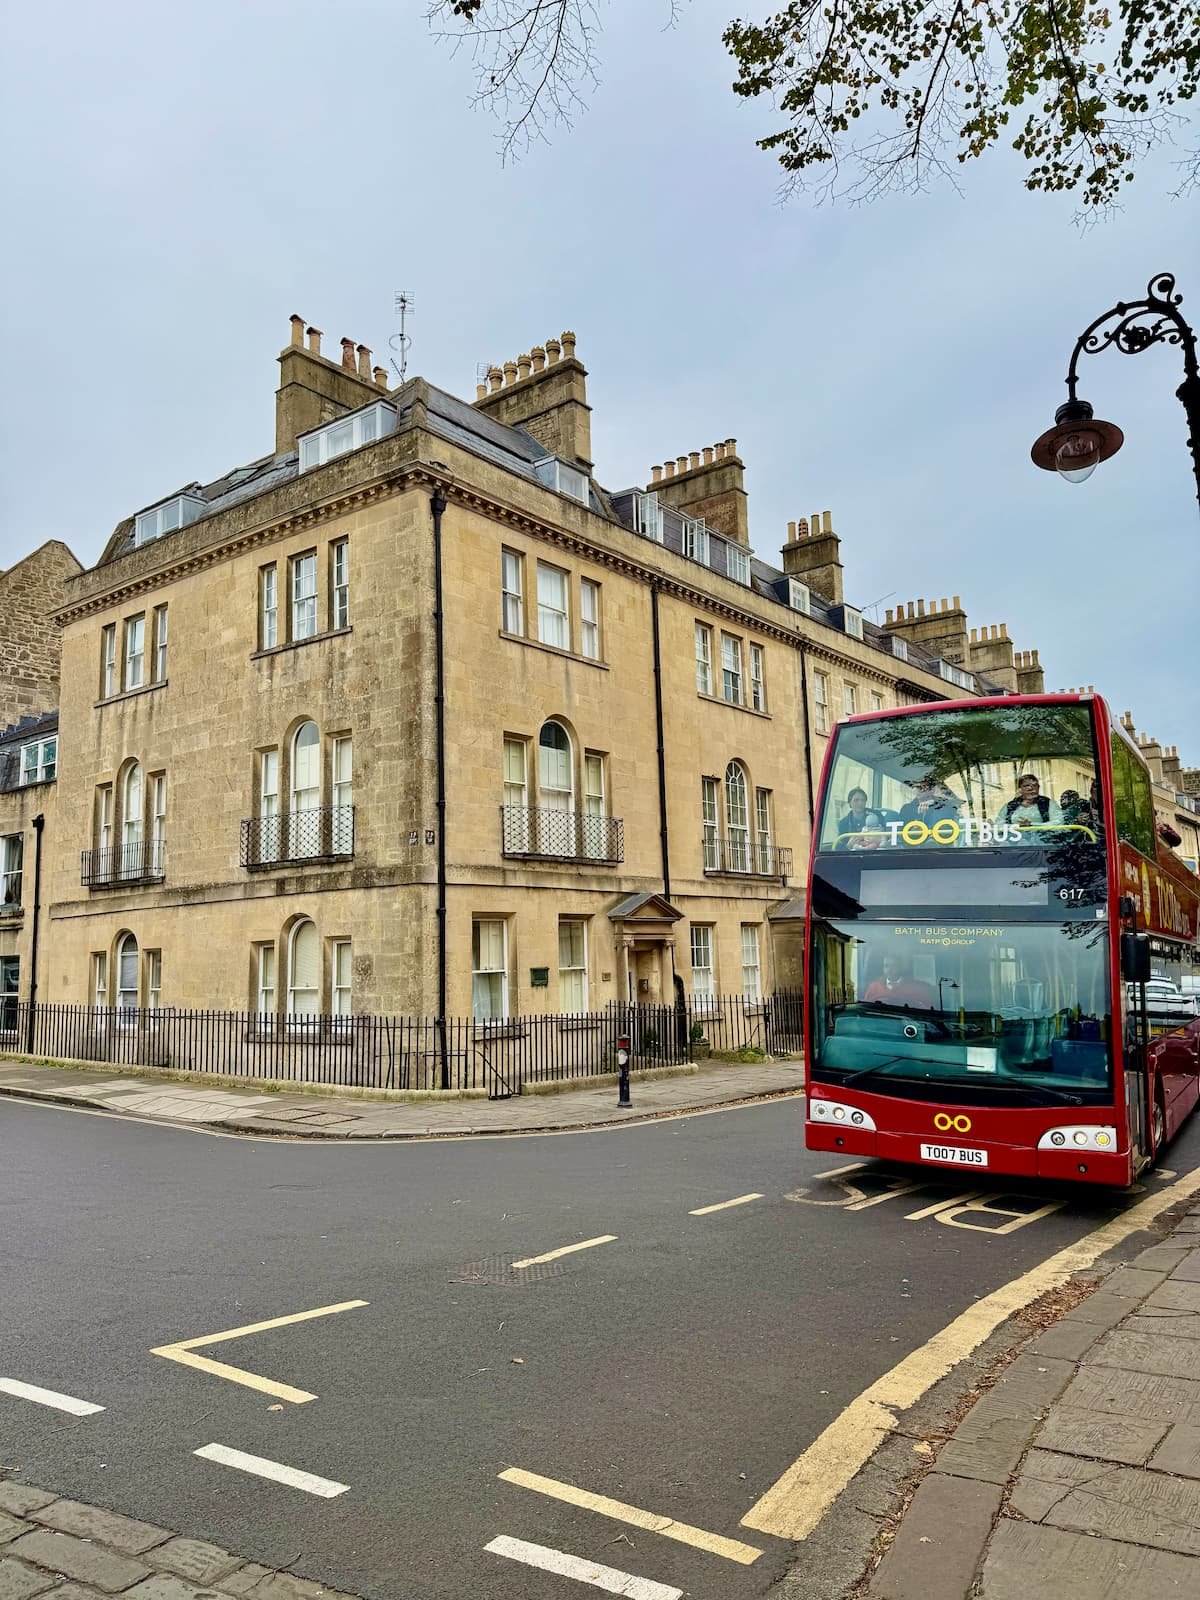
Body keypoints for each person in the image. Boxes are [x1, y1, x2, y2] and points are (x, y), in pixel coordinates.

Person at [863, 956, 934, 1008]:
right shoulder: (874, 987)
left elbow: (927, 1009)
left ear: (900, 968)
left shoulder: (917, 987)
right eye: (886, 966)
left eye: (893, 966)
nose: (890, 969)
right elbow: (865, 1007)